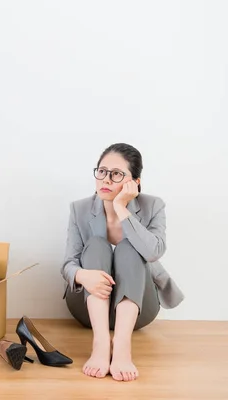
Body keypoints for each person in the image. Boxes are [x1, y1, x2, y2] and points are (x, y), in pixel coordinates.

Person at [61, 143, 184, 382]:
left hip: (139, 310)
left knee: (130, 247)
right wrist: (82, 276)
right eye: (102, 171)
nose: (106, 179)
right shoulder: (80, 210)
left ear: (134, 182)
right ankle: (100, 343)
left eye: (116, 174)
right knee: (96, 244)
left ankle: (122, 345)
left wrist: (120, 207)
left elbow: (153, 252)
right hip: (89, 306)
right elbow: (68, 263)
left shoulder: (153, 206)